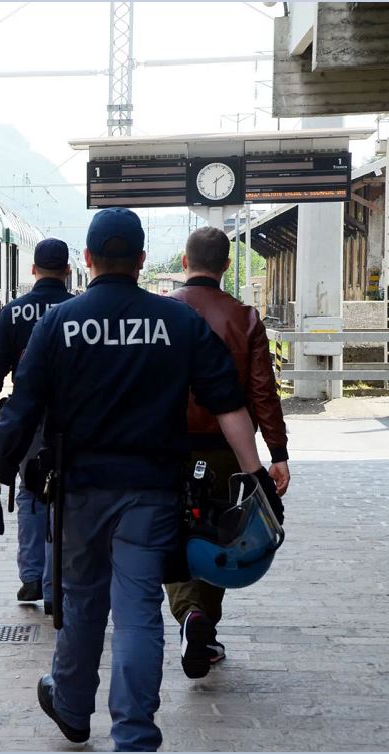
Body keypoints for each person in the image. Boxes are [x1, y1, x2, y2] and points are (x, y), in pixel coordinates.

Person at [0, 208, 286, 751]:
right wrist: (256, 474)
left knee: (82, 603)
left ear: (87, 259)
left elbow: (21, 410)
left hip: (80, 492)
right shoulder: (176, 321)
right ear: (141, 260)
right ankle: (135, 733)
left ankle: (72, 706)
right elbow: (228, 403)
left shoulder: (59, 323)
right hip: (151, 493)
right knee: (139, 611)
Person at [166, 226, 290, 678]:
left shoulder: (164, 313)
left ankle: (190, 617)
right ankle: (206, 630)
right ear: (226, 265)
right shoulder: (245, 317)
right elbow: (262, 391)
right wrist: (276, 451)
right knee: (220, 534)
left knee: (173, 534)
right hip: (226, 450)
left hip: (171, 448)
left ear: (185, 262)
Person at [0, 238, 74, 611]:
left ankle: (31, 577)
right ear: (68, 271)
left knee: (31, 490)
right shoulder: (76, 310)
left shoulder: (13, 312)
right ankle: (54, 585)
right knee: (62, 496)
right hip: (70, 419)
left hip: (27, 418)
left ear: (33, 270)